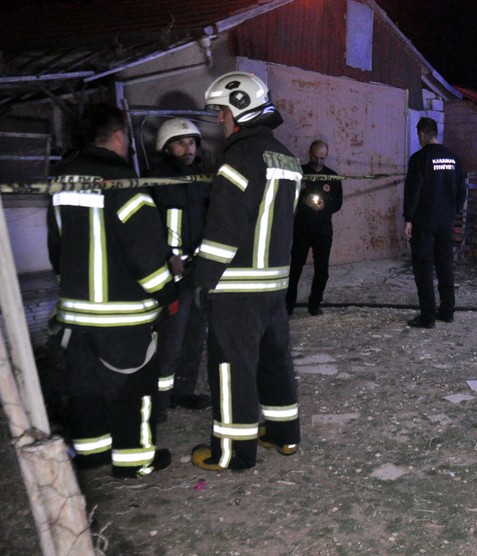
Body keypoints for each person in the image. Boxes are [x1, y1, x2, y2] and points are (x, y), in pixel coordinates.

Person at [47, 103, 176, 478]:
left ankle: (92, 455)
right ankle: (134, 461)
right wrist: (166, 295)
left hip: (75, 314)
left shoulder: (61, 180)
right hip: (124, 317)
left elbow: (57, 247)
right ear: (119, 136)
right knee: (133, 391)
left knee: (85, 391)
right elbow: (146, 255)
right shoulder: (124, 183)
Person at [189, 71, 301, 471]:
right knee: (275, 360)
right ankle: (284, 434)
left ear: (239, 108)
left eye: (221, 111)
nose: (219, 120)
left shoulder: (236, 161)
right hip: (274, 284)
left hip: (236, 287)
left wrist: (202, 281)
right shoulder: (286, 157)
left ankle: (234, 451)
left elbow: (223, 231)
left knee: (231, 367)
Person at [147, 118, 211, 420]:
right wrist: (166, 255)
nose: (189, 148)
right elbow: (145, 229)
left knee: (195, 332)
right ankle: (159, 403)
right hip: (169, 273)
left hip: (197, 270)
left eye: (192, 142)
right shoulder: (154, 180)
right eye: (181, 142)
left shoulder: (202, 178)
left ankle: (183, 392)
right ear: (166, 146)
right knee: (170, 337)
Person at [403, 117, 467, 328]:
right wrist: (452, 211)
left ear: (421, 134)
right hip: (446, 221)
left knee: (423, 268)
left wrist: (408, 218)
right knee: (445, 265)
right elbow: (461, 191)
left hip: (424, 222)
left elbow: (413, 191)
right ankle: (447, 311)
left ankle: (428, 316)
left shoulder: (419, 159)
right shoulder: (453, 158)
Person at [286, 140, 343, 316]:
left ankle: (314, 304)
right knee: (295, 268)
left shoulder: (332, 177)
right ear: (309, 153)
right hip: (302, 228)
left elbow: (338, 203)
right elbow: (289, 197)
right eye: (315, 157)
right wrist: (304, 201)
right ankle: (288, 305)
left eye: (322, 158)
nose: (318, 162)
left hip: (323, 230)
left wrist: (323, 206)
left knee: (322, 270)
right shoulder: (299, 173)